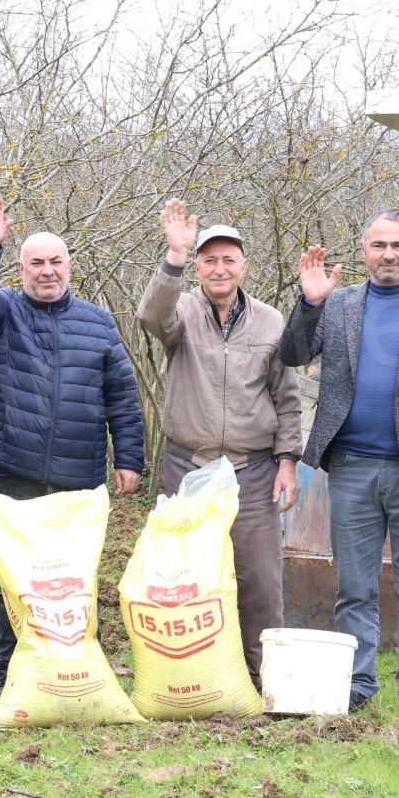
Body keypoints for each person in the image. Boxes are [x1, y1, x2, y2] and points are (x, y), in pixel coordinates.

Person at [278, 210, 399, 718]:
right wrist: (309, 303)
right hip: (351, 468)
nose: (389, 254)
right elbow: (293, 354)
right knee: (354, 585)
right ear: (364, 251)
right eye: (379, 245)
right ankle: (357, 681)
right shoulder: (338, 305)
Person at [0, 192, 146, 699]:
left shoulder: (99, 322)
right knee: (15, 577)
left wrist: (128, 458)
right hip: (15, 468)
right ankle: (6, 672)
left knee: (75, 577)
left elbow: (122, 396)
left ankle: (77, 668)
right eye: (36, 262)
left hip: (80, 473)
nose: (47, 271)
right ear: (20, 269)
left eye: (55, 261)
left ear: (70, 266)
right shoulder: (3, 314)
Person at [136, 199, 302, 690]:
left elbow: (287, 398)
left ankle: (262, 681)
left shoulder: (272, 322)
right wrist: (173, 255)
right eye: (208, 259)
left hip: (251, 473)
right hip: (187, 468)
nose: (219, 268)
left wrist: (287, 462)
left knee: (258, 581)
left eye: (229, 259)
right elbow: (150, 316)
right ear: (199, 266)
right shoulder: (181, 311)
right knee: (182, 577)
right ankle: (186, 678)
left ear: (244, 266)